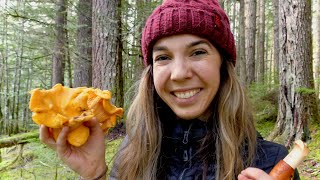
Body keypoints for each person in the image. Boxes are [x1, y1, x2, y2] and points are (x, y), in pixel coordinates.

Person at [40, 0, 300, 179]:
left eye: (198, 52)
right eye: (163, 57)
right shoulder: (131, 156)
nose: (179, 73)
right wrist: (94, 175)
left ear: (223, 65)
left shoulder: (271, 163)